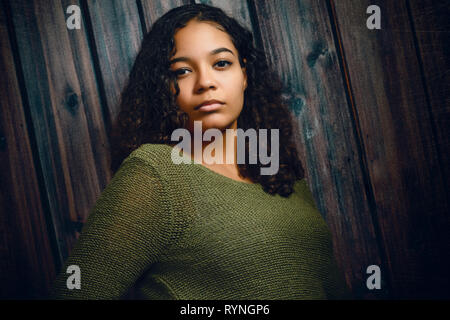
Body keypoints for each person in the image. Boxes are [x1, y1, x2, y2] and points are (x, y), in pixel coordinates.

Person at [50, 3, 351, 300]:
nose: (205, 82)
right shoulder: (157, 174)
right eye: (182, 71)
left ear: (244, 74)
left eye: (221, 63)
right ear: (163, 87)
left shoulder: (278, 169)